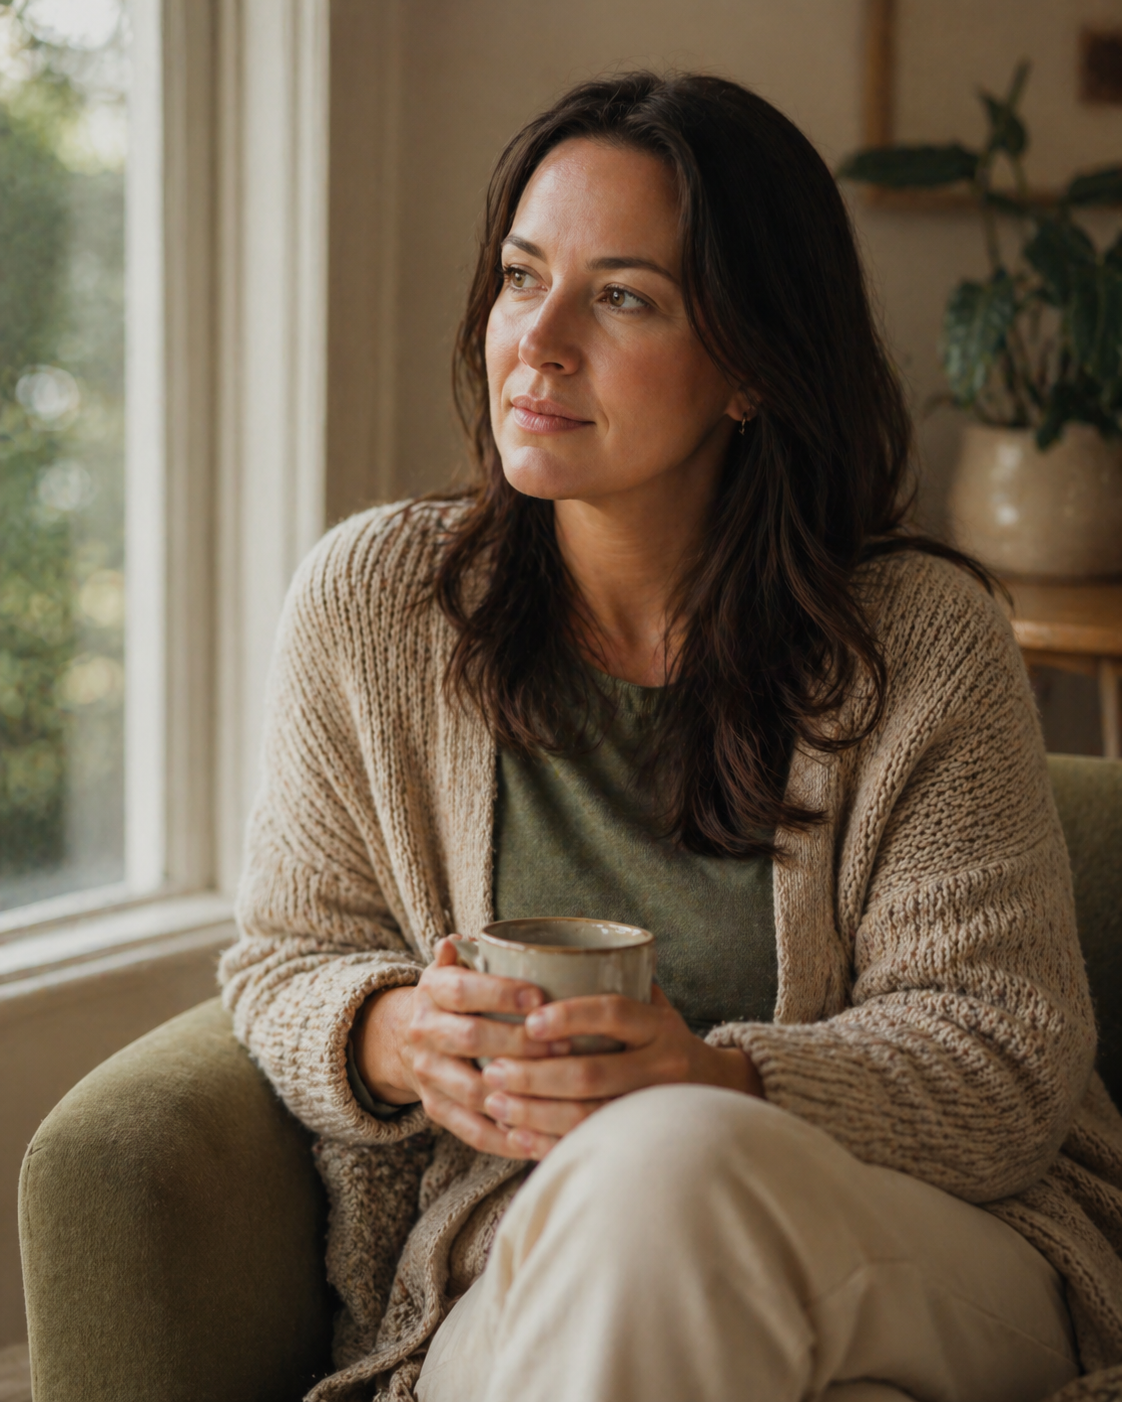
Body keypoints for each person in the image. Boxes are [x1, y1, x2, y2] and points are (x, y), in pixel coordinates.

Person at [220, 73, 1122, 1402]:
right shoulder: (374, 606)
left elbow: (1000, 1058)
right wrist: (399, 1032)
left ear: (751, 361)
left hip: (922, 1240)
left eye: (623, 296)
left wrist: (716, 1076)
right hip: (528, 1261)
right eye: (521, 277)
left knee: (672, 1161)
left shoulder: (922, 637)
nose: (538, 341)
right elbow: (285, 958)